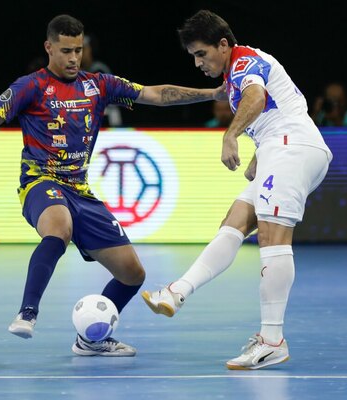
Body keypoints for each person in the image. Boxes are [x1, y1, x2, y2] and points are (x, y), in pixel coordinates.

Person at [0, 14, 223, 357]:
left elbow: (156, 95)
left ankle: (91, 341)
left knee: (133, 274)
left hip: (80, 190)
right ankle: (27, 312)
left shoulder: (98, 85)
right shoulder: (30, 87)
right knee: (59, 227)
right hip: (40, 182)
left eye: (78, 50)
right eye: (66, 50)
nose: (73, 58)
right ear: (49, 47)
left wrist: (213, 92)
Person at [141, 10, 333, 370]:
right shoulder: (235, 74)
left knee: (274, 238)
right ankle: (177, 291)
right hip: (283, 148)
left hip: (292, 148)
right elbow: (280, 107)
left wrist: (231, 135)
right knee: (236, 220)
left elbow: (258, 99)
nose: (198, 62)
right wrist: (261, 158)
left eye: (201, 54)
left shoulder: (245, 62)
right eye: (193, 56)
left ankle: (272, 340)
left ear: (223, 44)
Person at [81, 33, 122, 127]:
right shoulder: (79, 71)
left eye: (84, 49)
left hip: (109, 118)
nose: (80, 53)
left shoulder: (99, 69)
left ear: (91, 50)